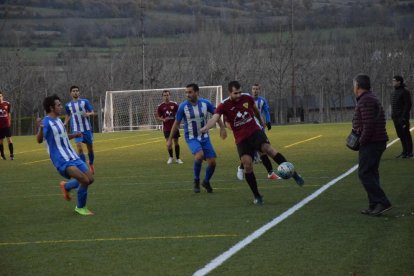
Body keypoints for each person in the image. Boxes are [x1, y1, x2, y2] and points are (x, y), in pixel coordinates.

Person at [201, 81, 304, 205]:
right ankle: (257, 196)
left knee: (268, 149)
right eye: (235, 93)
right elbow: (214, 118)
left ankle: (295, 175)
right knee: (247, 164)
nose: (238, 95)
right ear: (230, 93)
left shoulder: (247, 98)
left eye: (239, 92)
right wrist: (206, 127)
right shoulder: (223, 105)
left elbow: (255, 110)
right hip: (241, 139)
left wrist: (261, 122)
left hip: (254, 131)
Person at [36, 94, 94, 216]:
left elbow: (63, 137)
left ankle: (66, 186)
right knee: (84, 180)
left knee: (90, 179)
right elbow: (39, 140)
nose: (61, 107)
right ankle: (80, 207)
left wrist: (75, 135)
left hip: (72, 155)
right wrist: (40, 129)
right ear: (51, 108)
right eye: (59, 105)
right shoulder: (46, 122)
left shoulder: (58, 120)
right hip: (61, 159)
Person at [167, 83, 227, 193]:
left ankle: (206, 181)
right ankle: (196, 181)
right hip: (191, 138)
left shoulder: (206, 103)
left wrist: (222, 127)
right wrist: (170, 139)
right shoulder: (183, 107)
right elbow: (176, 123)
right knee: (199, 156)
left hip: (205, 137)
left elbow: (216, 115)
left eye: (190, 92)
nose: (187, 94)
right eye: (186, 92)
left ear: (196, 92)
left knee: (212, 163)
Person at [352, 74, 392, 216]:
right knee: (372, 173)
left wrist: (361, 141)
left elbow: (369, 125)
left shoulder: (366, 100)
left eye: (354, 84)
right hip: (375, 141)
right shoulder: (368, 98)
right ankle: (374, 204)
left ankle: (382, 201)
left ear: (358, 86)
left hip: (372, 143)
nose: (353, 87)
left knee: (364, 173)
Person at [236, 84, 280, 181]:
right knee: (250, 151)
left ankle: (270, 173)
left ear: (259, 90)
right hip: (248, 129)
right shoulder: (246, 100)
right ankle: (241, 168)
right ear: (251, 90)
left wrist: (268, 121)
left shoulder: (262, 101)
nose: (255, 91)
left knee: (263, 151)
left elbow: (266, 111)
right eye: (253, 89)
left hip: (259, 128)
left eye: (257, 89)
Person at [64, 85, 95, 173]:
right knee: (79, 148)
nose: (75, 92)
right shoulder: (68, 105)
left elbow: (92, 112)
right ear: (70, 93)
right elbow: (68, 114)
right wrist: (65, 123)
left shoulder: (85, 102)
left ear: (79, 92)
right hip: (76, 129)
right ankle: (84, 168)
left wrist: (88, 114)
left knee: (90, 149)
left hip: (87, 129)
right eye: (73, 91)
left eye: (77, 91)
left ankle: (91, 163)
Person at [156, 90, 183, 164]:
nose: (166, 97)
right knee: (169, 144)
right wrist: (163, 119)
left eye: (167, 95)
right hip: (167, 128)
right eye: (164, 95)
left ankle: (178, 158)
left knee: (176, 142)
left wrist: (178, 124)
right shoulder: (161, 106)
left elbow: (179, 114)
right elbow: (158, 117)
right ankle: (171, 157)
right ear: (162, 97)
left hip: (174, 127)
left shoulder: (174, 105)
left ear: (170, 96)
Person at [391, 75, 413, 158]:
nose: (393, 82)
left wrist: (403, 117)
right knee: (400, 135)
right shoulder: (393, 92)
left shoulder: (405, 91)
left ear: (399, 82)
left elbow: (408, 105)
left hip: (402, 118)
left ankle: (409, 152)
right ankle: (404, 151)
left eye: (394, 80)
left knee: (406, 134)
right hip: (395, 118)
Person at [0, 91, 14, 160]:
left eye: (0, 96)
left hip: (6, 126)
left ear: (2, 96)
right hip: (0, 127)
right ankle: (2, 155)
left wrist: (9, 122)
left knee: (9, 140)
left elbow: (9, 113)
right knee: (1, 141)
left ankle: (11, 155)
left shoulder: (7, 104)